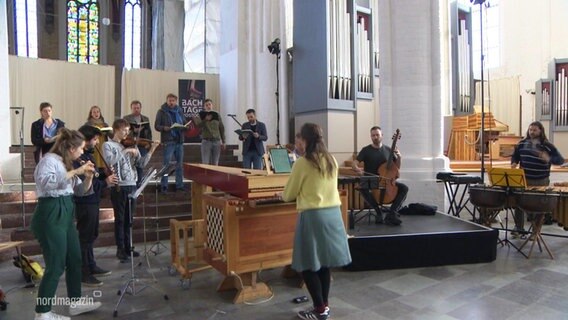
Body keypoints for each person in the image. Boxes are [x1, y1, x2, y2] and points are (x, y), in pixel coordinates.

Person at [279, 123, 351, 320]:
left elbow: (289, 195)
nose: (298, 143)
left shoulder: (302, 163)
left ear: (307, 140)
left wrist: (281, 194)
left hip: (313, 217)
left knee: (307, 265)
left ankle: (319, 310)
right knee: (324, 264)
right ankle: (324, 306)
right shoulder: (331, 160)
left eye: (300, 139)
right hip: (333, 216)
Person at [31, 128, 101, 319]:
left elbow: (80, 191)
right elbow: (46, 183)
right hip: (51, 214)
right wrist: (77, 170)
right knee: (56, 264)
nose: (82, 153)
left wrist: (87, 178)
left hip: (66, 213)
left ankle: (75, 302)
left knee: (75, 258)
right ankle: (42, 312)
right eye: (80, 149)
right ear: (70, 148)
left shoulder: (65, 162)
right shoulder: (49, 161)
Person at [104, 119, 160, 261]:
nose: (127, 133)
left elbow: (141, 164)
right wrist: (126, 150)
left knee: (129, 220)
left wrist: (151, 150)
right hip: (119, 186)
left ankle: (129, 247)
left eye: (128, 130)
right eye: (124, 130)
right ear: (116, 129)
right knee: (120, 219)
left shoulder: (130, 145)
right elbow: (110, 161)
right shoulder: (108, 145)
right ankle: (120, 249)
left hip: (132, 184)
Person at [74, 125, 118, 287]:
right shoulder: (78, 159)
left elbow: (95, 175)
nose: (97, 142)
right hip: (84, 202)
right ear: (85, 140)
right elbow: (85, 185)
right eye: (95, 139)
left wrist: (104, 172)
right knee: (85, 237)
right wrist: (105, 182)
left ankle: (91, 265)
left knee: (92, 235)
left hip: (92, 201)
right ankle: (83, 272)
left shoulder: (88, 156)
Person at [511, 121, 564, 235]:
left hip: (541, 180)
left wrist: (549, 158)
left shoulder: (547, 145)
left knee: (540, 206)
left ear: (541, 131)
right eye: (530, 130)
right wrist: (514, 162)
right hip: (524, 179)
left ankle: (535, 231)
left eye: (534, 130)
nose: (532, 132)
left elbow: (560, 160)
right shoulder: (521, 144)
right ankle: (518, 228)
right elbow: (515, 156)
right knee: (519, 203)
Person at [351, 126, 407, 226]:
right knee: (362, 187)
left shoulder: (388, 150)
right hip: (371, 181)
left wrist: (399, 157)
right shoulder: (366, 150)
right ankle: (378, 212)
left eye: (377, 135)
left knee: (404, 188)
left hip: (387, 181)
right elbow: (354, 162)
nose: (375, 137)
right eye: (373, 135)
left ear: (382, 136)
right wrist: (355, 167)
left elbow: (397, 167)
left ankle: (392, 213)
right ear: (371, 137)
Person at [154, 93, 188, 193]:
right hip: (168, 141)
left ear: (176, 101)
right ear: (167, 100)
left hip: (179, 140)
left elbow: (184, 121)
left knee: (179, 165)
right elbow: (157, 126)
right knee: (166, 164)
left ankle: (179, 186)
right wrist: (165, 128)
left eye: (173, 101)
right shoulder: (161, 111)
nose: (171, 102)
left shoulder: (179, 110)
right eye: (169, 100)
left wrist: (186, 126)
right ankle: (164, 186)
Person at [123, 100, 153, 185]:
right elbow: (124, 132)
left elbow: (149, 132)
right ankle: (132, 183)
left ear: (140, 108)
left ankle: (139, 184)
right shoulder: (126, 118)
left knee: (141, 165)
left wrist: (149, 144)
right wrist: (133, 130)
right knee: (132, 165)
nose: (136, 109)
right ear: (131, 108)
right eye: (134, 108)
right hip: (131, 144)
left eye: (138, 108)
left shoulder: (145, 118)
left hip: (143, 144)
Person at [192, 98, 225, 165]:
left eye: (209, 104)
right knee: (205, 163)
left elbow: (221, 128)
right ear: (204, 107)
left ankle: (215, 175)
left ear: (212, 105)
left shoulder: (217, 114)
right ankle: (206, 175)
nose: (208, 106)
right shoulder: (201, 115)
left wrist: (224, 141)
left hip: (216, 141)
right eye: (206, 105)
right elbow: (198, 126)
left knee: (215, 163)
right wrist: (205, 120)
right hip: (206, 141)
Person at [85, 105, 110, 170]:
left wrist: (108, 131)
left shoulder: (104, 124)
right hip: (94, 144)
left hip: (102, 143)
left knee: (103, 159)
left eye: (98, 112)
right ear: (91, 114)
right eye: (94, 112)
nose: (96, 114)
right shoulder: (88, 124)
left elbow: (110, 135)